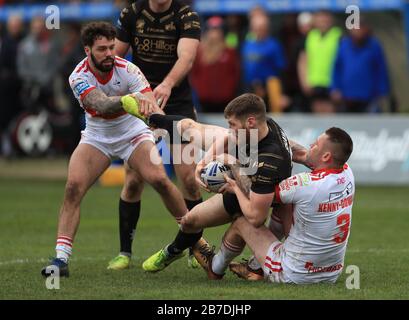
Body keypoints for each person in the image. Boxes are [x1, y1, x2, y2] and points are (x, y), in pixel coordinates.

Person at [41, 22, 188, 277]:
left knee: (159, 179)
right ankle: (61, 260)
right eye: (102, 49)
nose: (110, 53)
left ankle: (196, 241)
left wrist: (169, 130)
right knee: (73, 187)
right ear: (87, 50)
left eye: (112, 47)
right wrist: (127, 101)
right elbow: (98, 103)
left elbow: (152, 107)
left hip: (132, 131)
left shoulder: (128, 69)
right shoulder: (78, 76)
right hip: (98, 135)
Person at [142, 93, 300, 274]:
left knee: (243, 222)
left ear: (250, 122)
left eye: (232, 125)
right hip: (243, 186)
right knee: (189, 222)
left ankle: (172, 251)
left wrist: (232, 166)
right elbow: (228, 138)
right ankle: (184, 250)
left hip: (257, 197)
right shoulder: (263, 124)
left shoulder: (270, 160)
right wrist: (203, 163)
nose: (230, 130)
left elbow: (257, 217)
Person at [109, 0, 202, 269]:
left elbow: (187, 57)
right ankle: (124, 253)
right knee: (133, 180)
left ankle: (195, 247)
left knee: (190, 179)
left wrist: (167, 85)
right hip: (142, 104)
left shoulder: (186, 16)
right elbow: (115, 56)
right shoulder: (132, 14)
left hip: (177, 103)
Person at [216, 128, 354, 284]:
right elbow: (301, 153)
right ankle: (254, 267)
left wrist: (234, 177)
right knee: (284, 205)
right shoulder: (348, 174)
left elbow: (257, 196)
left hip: (293, 274)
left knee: (242, 223)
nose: (309, 145)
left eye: (315, 144)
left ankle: (215, 268)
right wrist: (277, 145)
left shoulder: (303, 184)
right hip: (330, 274)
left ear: (326, 156)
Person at [331, 19, 390, 113]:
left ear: (366, 29)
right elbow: (337, 68)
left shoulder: (374, 45)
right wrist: (335, 88)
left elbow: (381, 69)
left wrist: (382, 91)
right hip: (347, 97)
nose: (357, 31)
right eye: (354, 28)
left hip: (369, 96)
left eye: (360, 28)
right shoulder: (344, 44)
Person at [190, 17, 240, 113]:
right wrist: (200, 90)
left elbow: (235, 73)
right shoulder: (200, 51)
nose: (214, 34)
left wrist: (229, 90)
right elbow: (194, 73)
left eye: (217, 30)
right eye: (212, 30)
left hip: (225, 100)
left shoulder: (229, 51)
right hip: (204, 100)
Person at [298, 11, 342, 113]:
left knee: (330, 117)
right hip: (314, 83)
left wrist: (339, 86)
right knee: (317, 116)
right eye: (320, 20)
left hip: (331, 84)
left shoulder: (338, 36)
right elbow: (303, 60)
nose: (323, 23)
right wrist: (304, 81)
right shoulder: (311, 36)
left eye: (325, 20)